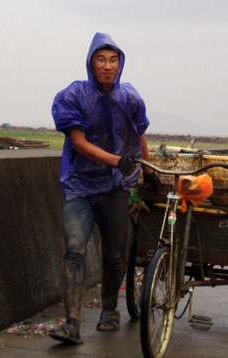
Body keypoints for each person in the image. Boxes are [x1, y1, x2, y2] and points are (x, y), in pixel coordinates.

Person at [49, 32, 160, 344]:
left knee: (114, 255)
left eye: (113, 60)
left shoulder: (131, 98)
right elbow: (79, 143)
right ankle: (71, 323)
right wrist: (117, 160)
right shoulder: (72, 96)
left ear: (120, 64)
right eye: (101, 59)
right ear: (90, 62)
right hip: (80, 187)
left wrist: (147, 167)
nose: (108, 66)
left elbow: (139, 134)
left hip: (116, 188)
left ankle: (109, 310)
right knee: (74, 249)